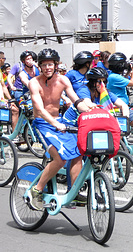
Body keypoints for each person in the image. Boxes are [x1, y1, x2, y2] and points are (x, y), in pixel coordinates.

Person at [27, 48, 84, 211]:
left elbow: (75, 99)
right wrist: (55, 123)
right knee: (59, 159)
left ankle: (73, 192)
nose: (47, 68)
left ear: (56, 65)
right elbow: (40, 108)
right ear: (40, 66)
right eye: (44, 65)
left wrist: (90, 110)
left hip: (59, 122)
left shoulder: (63, 80)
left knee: (78, 153)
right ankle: (36, 189)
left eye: (50, 64)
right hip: (42, 124)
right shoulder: (34, 83)